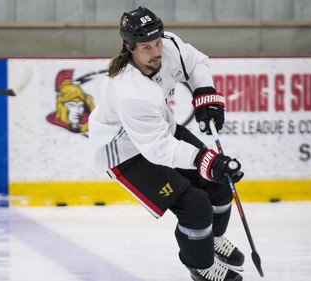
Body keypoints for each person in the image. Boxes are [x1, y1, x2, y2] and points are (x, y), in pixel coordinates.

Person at [89, 6, 245, 281]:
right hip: (126, 153)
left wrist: (204, 92)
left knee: (220, 184)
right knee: (195, 206)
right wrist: (204, 161)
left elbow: (195, 62)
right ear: (129, 46)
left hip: (160, 133)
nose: (156, 52)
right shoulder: (130, 91)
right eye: (146, 47)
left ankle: (214, 239)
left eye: (157, 42)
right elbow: (157, 149)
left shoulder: (168, 46)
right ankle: (201, 266)